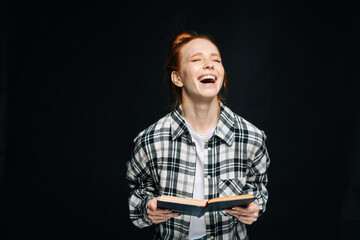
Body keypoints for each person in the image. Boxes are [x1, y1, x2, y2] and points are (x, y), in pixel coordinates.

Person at [126, 32, 270, 240]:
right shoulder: (151, 140)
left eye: (216, 60)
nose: (209, 65)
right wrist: (147, 209)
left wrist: (255, 207)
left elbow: (258, 189)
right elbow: (137, 195)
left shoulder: (251, 137)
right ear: (177, 77)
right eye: (196, 60)